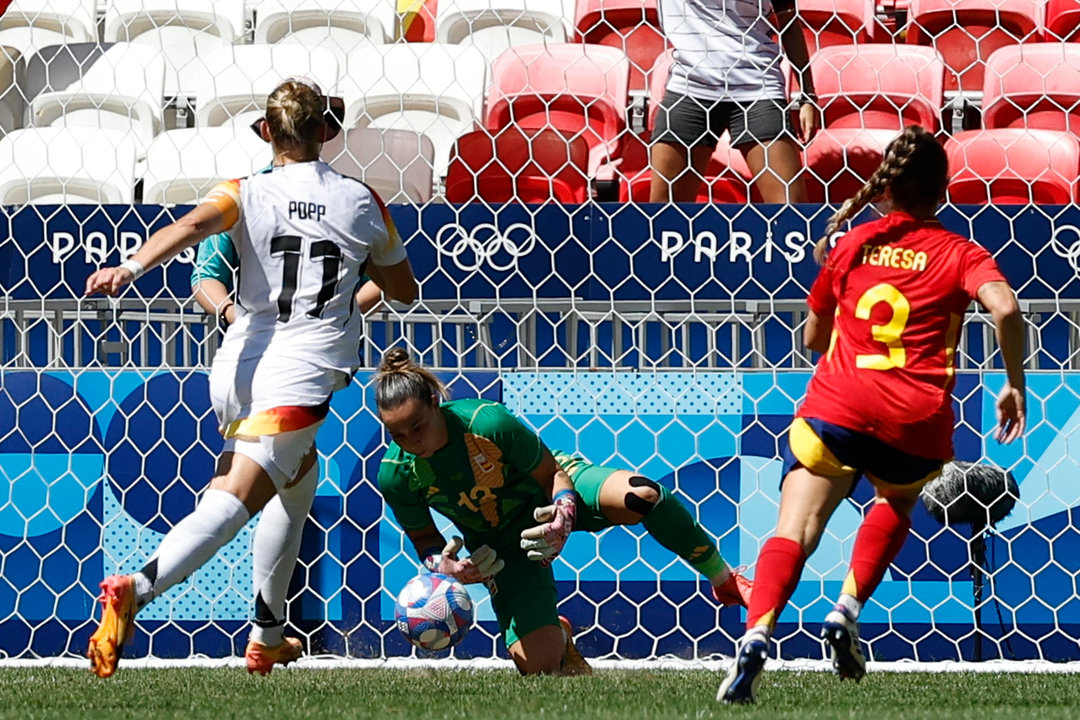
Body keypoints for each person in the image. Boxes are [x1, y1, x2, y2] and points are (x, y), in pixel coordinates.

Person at [83, 77, 418, 678]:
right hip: (302, 371)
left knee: (299, 481)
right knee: (236, 497)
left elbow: (188, 228)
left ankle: (267, 637)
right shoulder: (363, 201)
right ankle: (136, 588)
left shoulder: (243, 191)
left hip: (239, 361)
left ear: (267, 133)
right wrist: (344, 302)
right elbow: (402, 291)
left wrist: (129, 267)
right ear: (325, 132)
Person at [718, 125, 1026, 703]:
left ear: (886, 187)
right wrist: (1014, 384)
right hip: (914, 419)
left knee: (794, 529)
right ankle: (848, 610)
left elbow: (814, 337)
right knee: (895, 499)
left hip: (839, 404)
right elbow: (1006, 308)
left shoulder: (851, 243)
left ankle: (757, 635)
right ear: (944, 190)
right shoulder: (961, 251)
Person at [375, 348, 752, 676]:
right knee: (539, 667)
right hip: (504, 545)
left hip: (553, 493)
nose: (411, 441)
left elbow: (551, 473)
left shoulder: (487, 422)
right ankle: (559, 633)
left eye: (417, 427)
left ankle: (724, 580)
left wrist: (563, 516)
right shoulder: (395, 475)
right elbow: (425, 540)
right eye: (398, 435)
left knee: (642, 495)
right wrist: (448, 569)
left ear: (434, 403)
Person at [650, 0, 818, 204]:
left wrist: (808, 95)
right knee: (664, 215)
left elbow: (789, 20)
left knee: (791, 211)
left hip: (758, 88)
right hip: (689, 87)